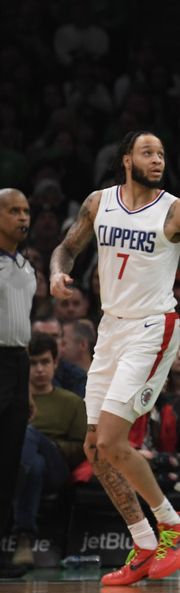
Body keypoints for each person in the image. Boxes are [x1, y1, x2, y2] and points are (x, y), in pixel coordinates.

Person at [49, 131, 180, 584]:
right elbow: (67, 247)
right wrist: (57, 272)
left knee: (111, 441)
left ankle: (173, 525)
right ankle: (144, 544)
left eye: (162, 154)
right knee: (95, 448)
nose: (158, 160)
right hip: (110, 328)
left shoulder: (176, 210)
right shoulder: (98, 202)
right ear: (126, 159)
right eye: (148, 153)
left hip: (153, 328)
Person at [15, 333, 86, 566]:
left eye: (45, 362)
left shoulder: (72, 402)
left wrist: (54, 445)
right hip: (33, 466)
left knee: (29, 433)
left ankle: (16, 475)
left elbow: (80, 448)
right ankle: (24, 540)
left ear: (56, 363)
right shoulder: (14, 400)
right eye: (33, 363)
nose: (39, 369)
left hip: (58, 468)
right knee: (35, 466)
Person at [0, 188, 33, 578]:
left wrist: (24, 389)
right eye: (13, 211)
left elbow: (21, 332)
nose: (23, 218)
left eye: (26, 211)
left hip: (17, 364)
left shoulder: (27, 267)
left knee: (7, 465)